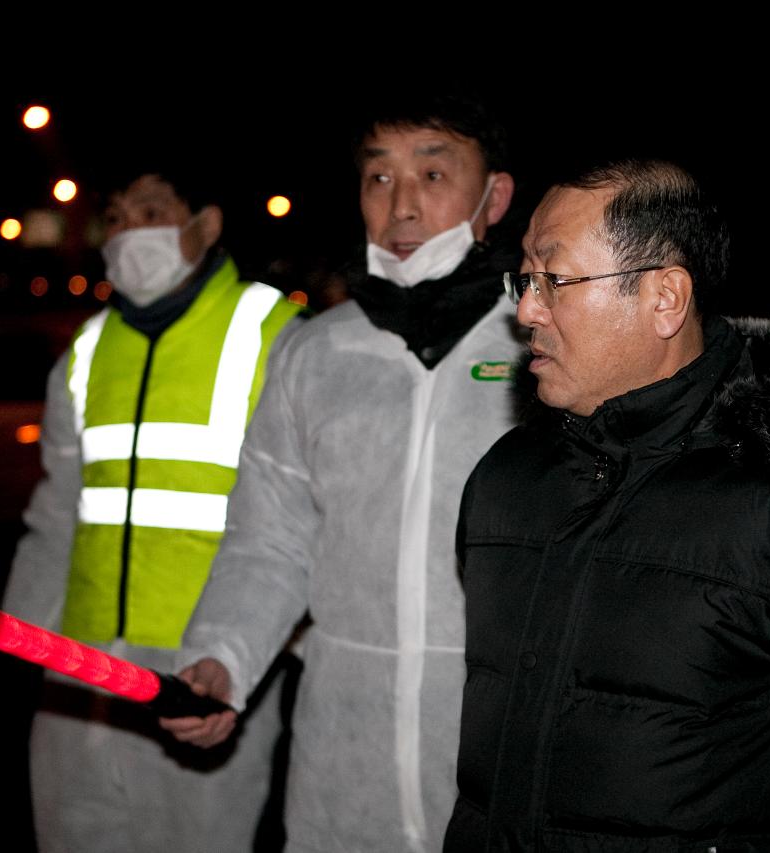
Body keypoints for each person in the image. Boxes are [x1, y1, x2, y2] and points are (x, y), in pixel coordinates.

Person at [443, 158, 770, 852]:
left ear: (664, 298)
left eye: (554, 280)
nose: (526, 310)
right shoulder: (504, 483)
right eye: (525, 280)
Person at [160, 91, 523, 853]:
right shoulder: (313, 353)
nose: (402, 206)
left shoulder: (544, 347)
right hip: (340, 755)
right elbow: (270, 539)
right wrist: (224, 656)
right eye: (379, 178)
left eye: (432, 173)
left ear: (494, 195)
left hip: (505, 742)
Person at [0, 160, 305, 853]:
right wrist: (25, 641)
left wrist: (257, 656)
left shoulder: (276, 334)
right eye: (116, 217)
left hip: (199, 677)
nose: (129, 230)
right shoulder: (85, 350)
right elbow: (55, 512)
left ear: (207, 224)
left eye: (152, 211)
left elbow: (301, 522)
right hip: (78, 673)